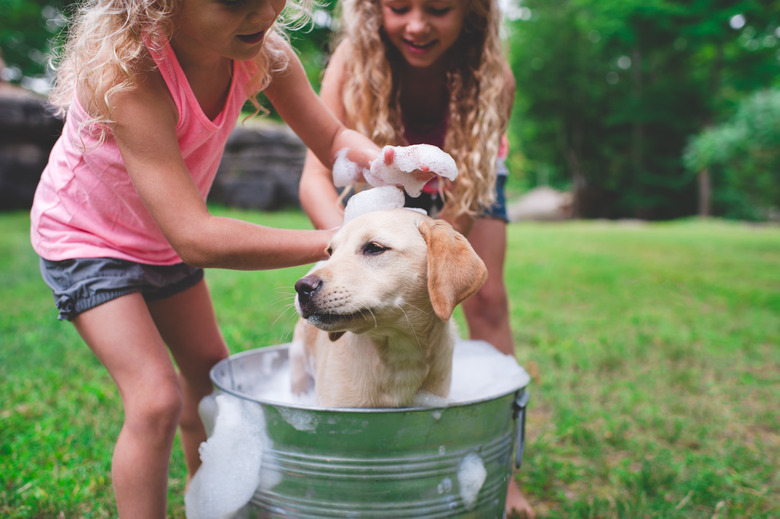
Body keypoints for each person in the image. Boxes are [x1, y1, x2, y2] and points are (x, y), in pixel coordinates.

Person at [27, 0, 439, 516]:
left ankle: (208, 505)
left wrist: (384, 162)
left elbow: (332, 140)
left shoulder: (263, 53)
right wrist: (342, 240)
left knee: (211, 378)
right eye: (236, 2)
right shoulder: (127, 73)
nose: (263, 13)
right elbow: (197, 238)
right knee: (154, 400)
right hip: (86, 240)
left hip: (161, 241)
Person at [297, 0, 533, 516]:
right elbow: (315, 176)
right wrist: (350, 244)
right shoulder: (351, 61)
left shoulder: (495, 77)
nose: (418, 24)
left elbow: (465, 202)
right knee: (358, 291)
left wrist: (436, 259)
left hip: (468, 176)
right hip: (370, 188)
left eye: (440, 9)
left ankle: (503, 472)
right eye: (399, 8)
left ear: (471, 13)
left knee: (487, 300)